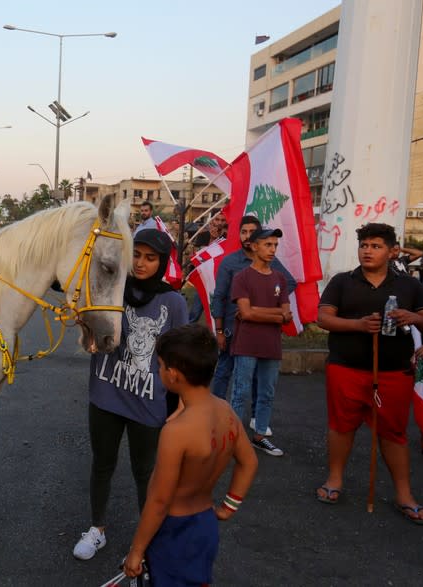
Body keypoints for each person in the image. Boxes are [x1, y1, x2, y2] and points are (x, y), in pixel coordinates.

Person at [72, 229, 189, 561]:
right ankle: (97, 529)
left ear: (163, 262)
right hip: (106, 393)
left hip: (149, 401)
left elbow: (180, 355)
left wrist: (181, 403)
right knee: (102, 464)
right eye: (136, 254)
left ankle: (148, 538)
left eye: (150, 258)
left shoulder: (174, 302)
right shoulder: (111, 286)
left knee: (145, 472)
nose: (140, 263)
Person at [122, 323, 259, 585]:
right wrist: (229, 506)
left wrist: (136, 551)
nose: (159, 369)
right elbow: (249, 462)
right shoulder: (225, 411)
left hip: (174, 530)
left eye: (160, 365)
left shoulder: (177, 431)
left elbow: (160, 501)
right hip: (205, 524)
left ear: (173, 375)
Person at [316, 222, 423, 524]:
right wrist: (356, 325)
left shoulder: (410, 286)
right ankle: (335, 479)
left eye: (375, 246)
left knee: (394, 432)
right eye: (364, 245)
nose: (367, 251)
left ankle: (404, 495)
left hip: (394, 371)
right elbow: (323, 318)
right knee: (341, 425)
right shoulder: (342, 281)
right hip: (346, 367)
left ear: (392, 251)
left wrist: (414, 317)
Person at [210, 215, 296, 436]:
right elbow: (219, 296)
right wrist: (219, 330)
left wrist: (265, 303)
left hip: (264, 333)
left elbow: (288, 284)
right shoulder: (231, 262)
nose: (247, 237)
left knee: (262, 382)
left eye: (251, 232)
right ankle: (218, 417)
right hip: (232, 328)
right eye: (243, 232)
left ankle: (258, 421)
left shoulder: (272, 263)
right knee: (225, 374)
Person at [230, 228, 291, 457]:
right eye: (267, 244)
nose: (272, 249)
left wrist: (257, 310)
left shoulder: (280, 278)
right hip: (246, 343)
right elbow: (245, 314)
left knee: (267, 392)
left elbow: (287, 314)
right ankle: (233, 438)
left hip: (271, 345)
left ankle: (260, 437)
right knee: (240, 392)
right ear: (254, 246)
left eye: (275, 245)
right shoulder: (242, 277)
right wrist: (274, 314)